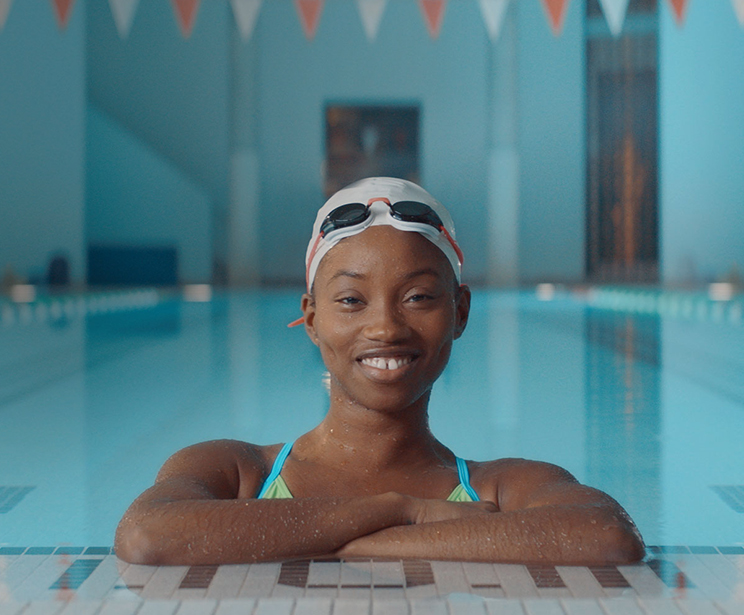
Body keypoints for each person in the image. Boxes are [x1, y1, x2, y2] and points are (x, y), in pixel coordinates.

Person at [115, 177, 644, 566]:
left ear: (459, 312)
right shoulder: (238, 470)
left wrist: (335, 541)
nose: (386, 328)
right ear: (312, 318)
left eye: (418, 297)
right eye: (351, 300)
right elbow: (146, 535)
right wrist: (402, 511)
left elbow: (608, 534)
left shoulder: (499, 484)